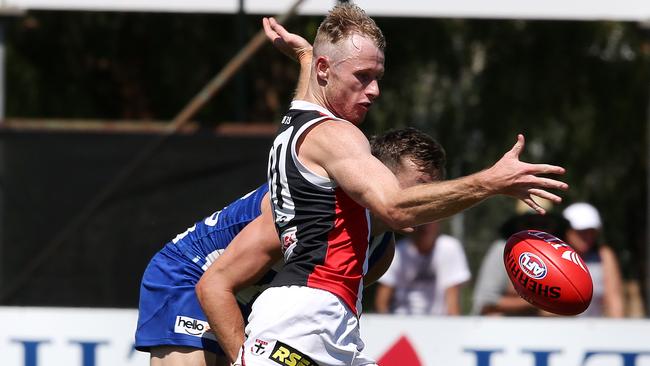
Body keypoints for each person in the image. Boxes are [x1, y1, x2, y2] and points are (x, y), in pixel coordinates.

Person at [238, 4, 568, 366]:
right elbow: (395, 207)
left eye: (378, 76)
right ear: (324, 69)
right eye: (363, 76)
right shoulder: (335, 134)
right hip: (303, 324)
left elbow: (309, 89)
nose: (375, 89)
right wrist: (490, 182)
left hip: (310, 320)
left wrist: (303, 54)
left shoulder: (297, 116)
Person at [134, 126, 446, 366]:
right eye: (420, 187)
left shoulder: (380, 253)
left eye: (435, 189)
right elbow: (212, 285)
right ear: (379, 177)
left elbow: (327, 322)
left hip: (253, 299)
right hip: (190, 277)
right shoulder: (316, 212)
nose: (430, 201)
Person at [471, 200, 569, 316]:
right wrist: (542, 302)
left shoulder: (557, 256)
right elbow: (485, 301)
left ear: (553, 226)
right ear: (518, 225)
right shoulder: (503, 250)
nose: (537, 229)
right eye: (530, 223)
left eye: (544, 224)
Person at [375, 220, 471, 315]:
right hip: (401, 321)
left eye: (431, 220)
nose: (425, 226)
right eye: (422, 220)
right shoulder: (398, 251)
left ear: (439, 223)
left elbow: (452, 302)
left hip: (438, 323)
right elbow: (382, 301)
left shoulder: (450, 248)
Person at [562, 202, 625, 317]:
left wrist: (618, 330)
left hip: (593, 331)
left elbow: (614, 299)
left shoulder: (604, 256)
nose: (588, 236)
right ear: (567, 230)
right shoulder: (551, 257)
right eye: (581, 231)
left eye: (592, 232)